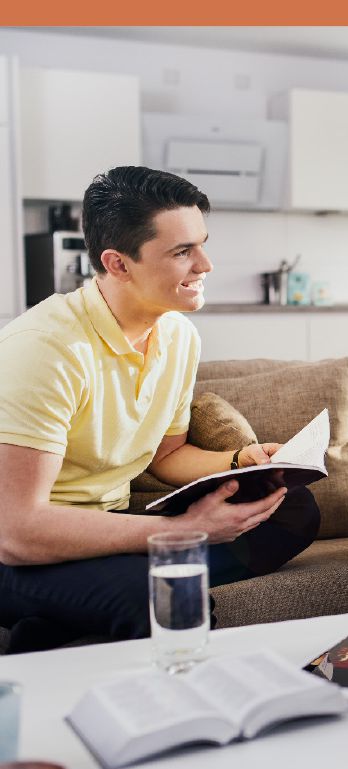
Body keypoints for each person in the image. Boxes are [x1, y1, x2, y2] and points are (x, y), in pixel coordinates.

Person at [0, 166, 320, 653]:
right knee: (164, 593)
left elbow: (167, 456)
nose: (206, 265)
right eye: (182, 252)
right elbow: (17, 531)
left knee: (292, 507)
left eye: (202, 244)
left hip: (104, 526)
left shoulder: (176, 334)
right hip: (23, 551)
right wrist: (183, 531)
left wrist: (244, 461)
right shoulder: (45, 349)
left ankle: (58, 620)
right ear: (119, 263)